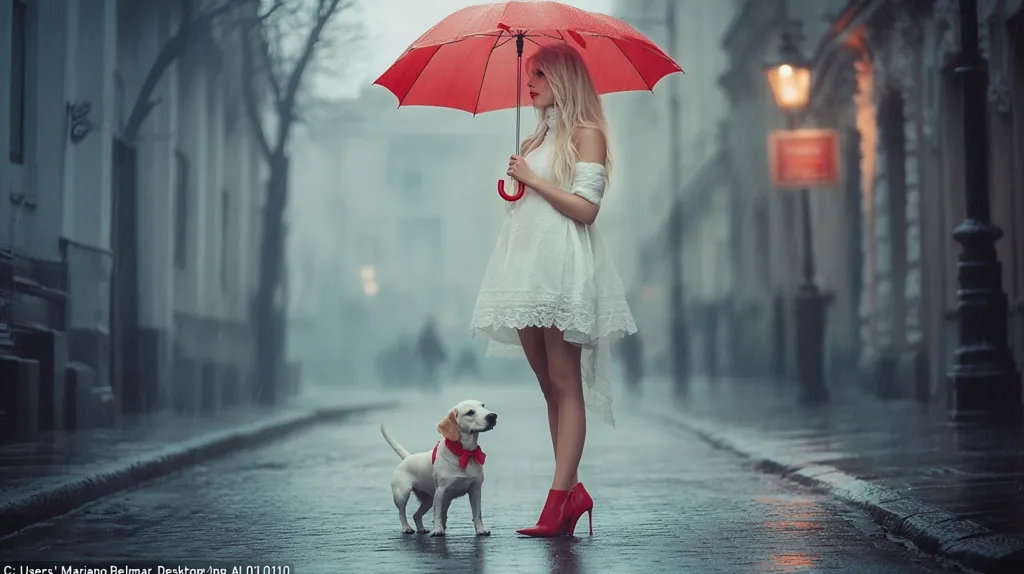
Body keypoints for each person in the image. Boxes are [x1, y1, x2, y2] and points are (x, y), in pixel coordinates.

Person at [469, 43, 637, 537]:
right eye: (529, 74)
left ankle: (558, 500)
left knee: (566, 384)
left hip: (562, 268)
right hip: (523, 270)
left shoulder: (588, 134)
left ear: (563, 78)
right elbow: (528, 209)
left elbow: (586, 209)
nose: (531, 83)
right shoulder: (537, 135)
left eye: (539, 74)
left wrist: (533, 181)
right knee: (549, 388)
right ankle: (572, 491)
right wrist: (517, 182)